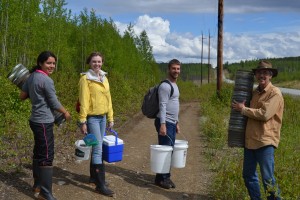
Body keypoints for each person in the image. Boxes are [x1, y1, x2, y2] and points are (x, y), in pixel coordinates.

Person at [20, 51, 71, 200]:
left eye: (54, 63)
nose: (52, 66)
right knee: (47, 155)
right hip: (44, 122)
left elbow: (22, 96)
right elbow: (54, 103)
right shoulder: (46, 80)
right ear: (40, 63)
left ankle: (37, 185)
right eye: (49, 63)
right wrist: (66, 113)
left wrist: (34, 92)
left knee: (39, 152)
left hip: (34, 120)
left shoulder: (31, 77)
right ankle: (45, 192)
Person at [232, 60, 284, 200]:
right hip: (250, 141)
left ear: (271, 75)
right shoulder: (255, 93)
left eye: (265, 73)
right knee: (248, 175)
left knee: (268, 178)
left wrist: (243, 109)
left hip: (265, 141)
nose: (262, 75)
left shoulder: (275, 93)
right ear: (256, 75)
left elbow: (264, 114)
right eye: (259, 72)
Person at [78, 52, 114, 197]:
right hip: (92, 118)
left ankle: (94, 177)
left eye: (99, 62)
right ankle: (101, 184)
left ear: (102, 63)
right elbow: (83, 101)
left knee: (96, 147)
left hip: (103, 117)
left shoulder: (104, 78)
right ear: (89, 63)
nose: (97, 64)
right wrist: (83, 120)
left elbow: (108, 99)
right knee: (98, 148)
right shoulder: (85, 79)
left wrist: (110, 117)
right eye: (94, 62)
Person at [154, 59, 181, 189]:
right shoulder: (165, 86)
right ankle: (163, 178)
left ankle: (162, 177)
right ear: (168, 69)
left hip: (171, 122)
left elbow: (174, 104)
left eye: (178, 69)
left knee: (169, 151)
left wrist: (177, 122)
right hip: (165, 122)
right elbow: (163, 106)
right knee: (166, 151)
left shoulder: (175, 84)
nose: (176, 71)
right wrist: (163, 124)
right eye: (174, 68)